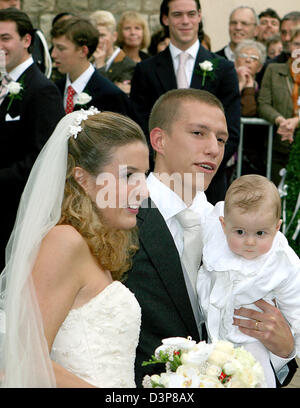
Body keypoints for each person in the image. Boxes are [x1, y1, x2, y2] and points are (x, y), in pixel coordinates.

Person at [125, 88, 295, 388]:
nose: (214, 149)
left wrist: (284, 351)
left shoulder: (237, 226)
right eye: (198, 133)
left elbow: (278, 313)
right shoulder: (123, 220)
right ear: (159, 140)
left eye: (220, 139)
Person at [0, 108, 149, 387]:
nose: (143, 190)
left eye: (144, 175)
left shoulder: (95, 243)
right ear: (82, 178)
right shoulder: (63, 242)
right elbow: (26, 360)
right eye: (129, 175)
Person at [130, 0, 241, 205]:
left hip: (209, 185)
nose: (185, 21)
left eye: (191, 14)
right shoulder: (145, 70)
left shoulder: (223, 69)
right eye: (177, 15)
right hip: (161, 180)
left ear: (199, 16)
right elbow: (140, 124)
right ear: (165, 19)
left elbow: (231, 130)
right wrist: (165, 163)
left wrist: (205, 165)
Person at [197, 174, 300, 388]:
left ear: (277, 227)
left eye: (261, 233)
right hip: (210, 334)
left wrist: (291, 343)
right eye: (240, 232)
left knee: (255, 378)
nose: (250, 242)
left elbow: (295, 305)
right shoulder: (215, 236)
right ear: (224, 225)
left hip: (252, 340)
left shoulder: (282, 262)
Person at [0, 8, 65, 271]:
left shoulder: (42, 90)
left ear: (27, 41)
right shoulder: (4, 81)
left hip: (17, 212)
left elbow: (44, 158)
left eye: (5, 38)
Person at [51, 17, 131, 116]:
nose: (53, 54)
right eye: (53, 47)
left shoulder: (110, 95)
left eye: (61, 48)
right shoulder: (55, 89)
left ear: (83, 51)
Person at [258, 25, 300, 186]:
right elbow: (263, 103)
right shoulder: (274, 70)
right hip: (278, 147)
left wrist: (296, 121)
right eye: (296, 44)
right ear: (289, 46)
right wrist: (280, 120)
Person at [233, 39, 267, 176]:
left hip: (249, 150)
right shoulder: (225, 82)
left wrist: (248, 87)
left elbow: (248, 112)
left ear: (259, 67)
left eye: (253, 58)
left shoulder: (260, 88)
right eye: (243, 56)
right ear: (235, 61)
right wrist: (240, 85)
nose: (247, 60)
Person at [0, 1, 52, 78]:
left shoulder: (44, 88)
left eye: (6, 38)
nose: (14, 3)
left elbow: (46, 69)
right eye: (7, 0)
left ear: (27, 40)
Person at [89, 10, 136, 95]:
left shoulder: (128, 65)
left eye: (102, 35)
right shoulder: (88, 59)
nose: (98, 40)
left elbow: (111, 96)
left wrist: (100, 66)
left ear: (114, 36)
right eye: (94, 36)